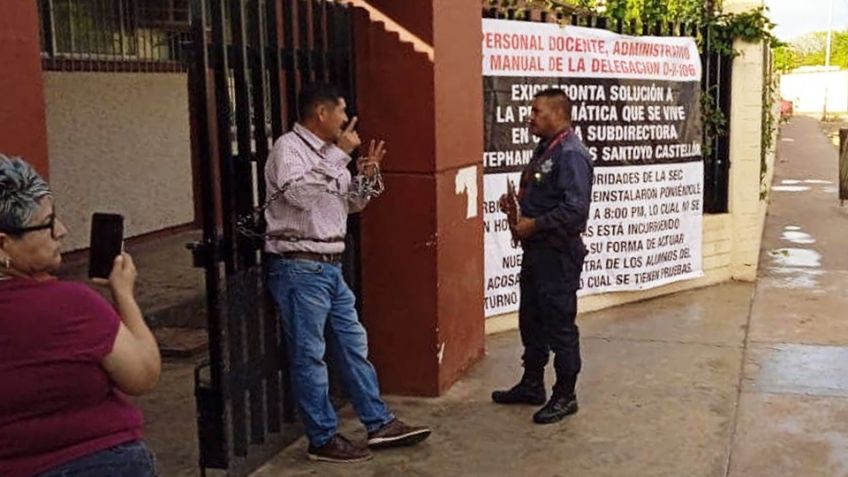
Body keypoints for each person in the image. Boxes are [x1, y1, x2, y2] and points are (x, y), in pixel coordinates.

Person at [264, 83, 431, 463]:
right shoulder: (288, 149)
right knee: (310, 356)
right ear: (322, 114)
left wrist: (367, 177)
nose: (347, 119)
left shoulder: (329, 156)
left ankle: (378, 423)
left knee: (353, 346)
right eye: (342, 111)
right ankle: (321, 438)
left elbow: (349, 205)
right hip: (299, 267)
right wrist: (340, 155)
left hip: (329, 268)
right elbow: (298, 197)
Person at [0, 154, 161, 477]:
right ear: (3, 245)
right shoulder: (72, 306)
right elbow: (142, 374)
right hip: (99, 462)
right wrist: (124, 296)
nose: (61, 231)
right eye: (46, 224)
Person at [491, 88, 594, 425]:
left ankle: (566, 395)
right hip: (537, 252)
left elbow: (575, 212)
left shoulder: (570, 154)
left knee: (559, 324)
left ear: (558, 114)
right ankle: (532, 383)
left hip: (558, 254)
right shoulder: (546, 149)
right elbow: (545, 196)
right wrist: (518, 210)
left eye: (536, 112)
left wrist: (534, 224)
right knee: (531, 319)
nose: (530, 117)